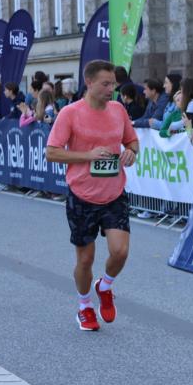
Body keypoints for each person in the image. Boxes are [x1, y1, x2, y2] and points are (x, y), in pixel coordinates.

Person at [46, 60, 139, 331]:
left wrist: (131, 151)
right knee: (85, 259)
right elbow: (52, 152)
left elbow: (132, 141)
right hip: (82, 195)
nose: (111, 89)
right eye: (105, 84)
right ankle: (85, 305)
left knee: (120, 252)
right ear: (89, 83)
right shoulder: (70, 113)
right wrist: (87, 155)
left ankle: (105, 286)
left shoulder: (118, 110)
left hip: (114, 193)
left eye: (113, 84)